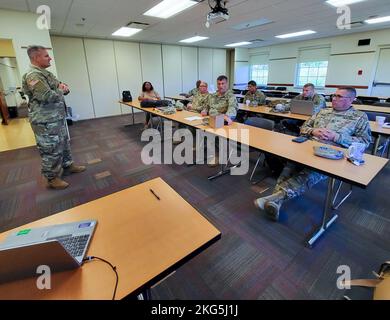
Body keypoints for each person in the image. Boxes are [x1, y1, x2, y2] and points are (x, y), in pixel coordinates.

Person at [254, 87, 371, 221]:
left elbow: (365, 142)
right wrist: (313, 131)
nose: (334, 98)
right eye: (334, 95)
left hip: (332, 154)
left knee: (310, 173)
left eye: (339, 96)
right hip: (308, 146)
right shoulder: (323, 111)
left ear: (351, 100)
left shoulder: (359, 117)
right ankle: (276, 201)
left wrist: (336, 137)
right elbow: (303, 127)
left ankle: (276, 198)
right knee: (290, 166)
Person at [22, 45, 85, 190]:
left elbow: (62, 86)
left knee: (63, 142)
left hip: (56, 117)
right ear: (36, 58)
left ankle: (68, 165)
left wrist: (63, 88)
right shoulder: (33, 75)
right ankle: (52, 178)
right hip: (45, 121)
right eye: (46, 56)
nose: (50, 58)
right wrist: (60, 89)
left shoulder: (46, 73)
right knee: (50, 149)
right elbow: (46, 96)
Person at [204, 75, 238, 166]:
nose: (220, 86)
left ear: (226, 84)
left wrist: (226, 116)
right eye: (219, 84)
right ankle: (212, 152)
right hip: (213, 118)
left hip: (224, 121)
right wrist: (205, 110)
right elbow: (208, 106)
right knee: (204, 130)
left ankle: (218, 156)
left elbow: (232, 109)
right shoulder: (214, 95)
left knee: (216, 134)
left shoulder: (230, 95)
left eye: (223, 83)